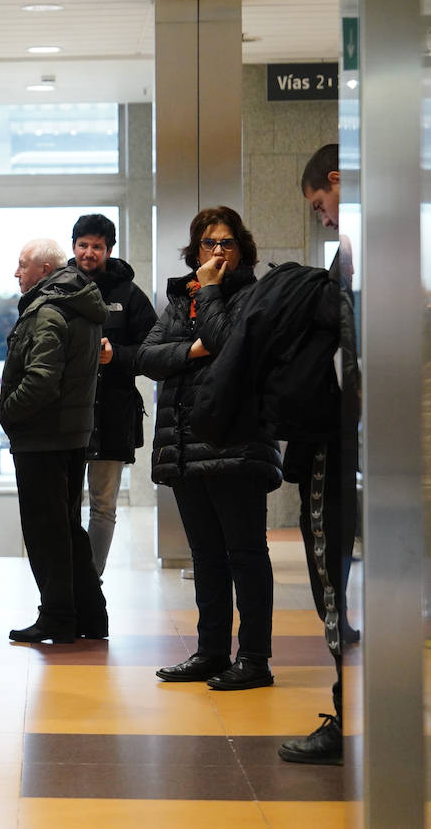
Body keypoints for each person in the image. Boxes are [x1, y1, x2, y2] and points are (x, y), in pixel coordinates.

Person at [136, 207, 281, 691]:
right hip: (183, 445)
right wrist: (194, 351)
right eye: (208, 243)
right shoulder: (181, 299)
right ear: (194, 250)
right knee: (206, 558)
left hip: (236, 444)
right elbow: (147, 356)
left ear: (242, 251)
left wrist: (212, 295)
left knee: (245, 554)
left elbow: (228, 339)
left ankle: (255, 659)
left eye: (227, 243)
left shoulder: (253, 296)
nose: (217, 251)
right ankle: (212, 651)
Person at [279, 143, 361, 764]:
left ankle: (351, 715)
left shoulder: (357, 257)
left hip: (338, 437)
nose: (324, 217)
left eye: (320, 204)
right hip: (356, 435)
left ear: (336, 181)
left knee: (330, 572)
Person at [0, 239, 108, 643]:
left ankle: (58, 616)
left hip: (43, 436)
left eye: (22, 265)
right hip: (70, 432)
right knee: (66, 529)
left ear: (44, 269)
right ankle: (91, 616)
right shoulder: (78, 303)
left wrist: (7, 407)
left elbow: (42, 379)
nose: (16, 273)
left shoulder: (48, 310)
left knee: (46, 533)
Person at [68, 214, 157, 575]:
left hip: (113, 415)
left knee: (103, 506)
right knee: (66, 506)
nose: (89, 253)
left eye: (97, 247)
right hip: (67, 416)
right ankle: (67, 584)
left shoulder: (129, 294)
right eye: (83, 245)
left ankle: (91, 583)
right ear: (73, 246)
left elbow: (154, 351)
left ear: (109, 249)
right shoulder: (59, 287)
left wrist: (115, 355)